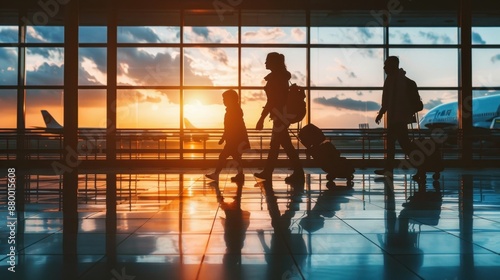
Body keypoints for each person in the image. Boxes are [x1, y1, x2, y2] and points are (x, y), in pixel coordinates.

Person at [254, 52, 304, 183]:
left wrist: (261, 118)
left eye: (267, 60)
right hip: (282, 116)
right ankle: (295, 172)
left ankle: (295, 172)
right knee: (282, 145)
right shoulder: (282, 77)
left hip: (280, 117)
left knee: (278, 145)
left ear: (274, 63)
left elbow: (272, 101)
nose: (265, 63)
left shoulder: (276, 79)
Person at [375, 56, 415, 177]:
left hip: (397, 120)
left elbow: (387, 101)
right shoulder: (402, 81)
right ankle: (389, 169)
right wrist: (381, 113)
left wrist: (381, 113)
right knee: (401, 145)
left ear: (392, 66)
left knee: (400, 145)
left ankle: (389, 169)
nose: (384, 67)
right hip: (399, 119)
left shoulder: (392, 81)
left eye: (386, 65)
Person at [206, 89, 250, 182]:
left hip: (234, 140)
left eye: (225, 99)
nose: (223, 101)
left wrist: (224, 138)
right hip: (236, 139)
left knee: (222, 156)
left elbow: (230, 127)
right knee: (237, 158)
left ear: (231, 99)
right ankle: (240, 175)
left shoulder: (232, 111)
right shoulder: (235, 110)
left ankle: (216, 174)